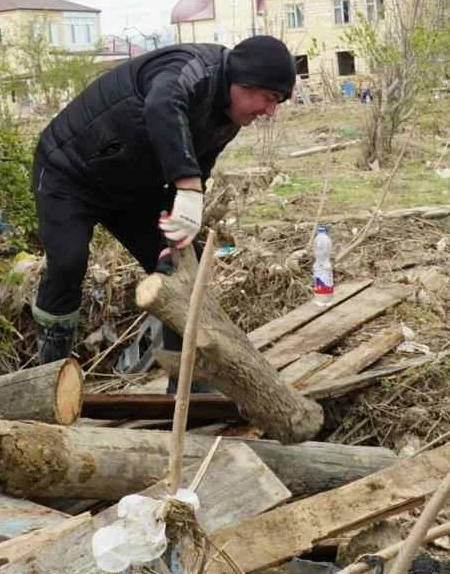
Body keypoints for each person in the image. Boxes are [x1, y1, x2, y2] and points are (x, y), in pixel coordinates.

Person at [30, 36, 296, 365]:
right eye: (269, 98)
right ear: (243, 82)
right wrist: (189, 187)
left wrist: (179, 218)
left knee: (182, 262)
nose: (270, 111)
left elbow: (199, 163)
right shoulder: (191, 69)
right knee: (68, 262)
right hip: (69, 172)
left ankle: (184, 375)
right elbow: (162, 106)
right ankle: (48, 372)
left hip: (133, 188)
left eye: (277, 102)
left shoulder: (229, 120)